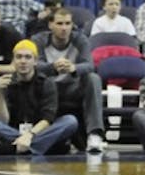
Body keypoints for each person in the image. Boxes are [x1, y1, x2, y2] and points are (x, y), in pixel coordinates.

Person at [31, 8, 106, 153]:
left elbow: (90, 66)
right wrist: (52, 67)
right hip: (47, 89)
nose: (64, 28)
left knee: (93, 78)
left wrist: (73, 68)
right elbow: (33, 65)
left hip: (72, 88)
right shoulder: (38, 40)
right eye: (59, 23)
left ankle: (95, 134)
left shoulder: (80, 39)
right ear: (50, 25)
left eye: (67, 23)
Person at [0, 39, 78, 155]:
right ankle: (36, 147)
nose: (23, 61)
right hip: (14, 130)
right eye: (19, 57)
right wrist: (0, 93)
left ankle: (19, 148)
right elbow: (3, 120)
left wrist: (29, 135)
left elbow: (47, 119)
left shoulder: (47, 82)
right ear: (13, 61)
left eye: (28, 57)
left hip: (40, 131)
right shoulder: (6, 82)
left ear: (35, 61)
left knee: (70, 121)